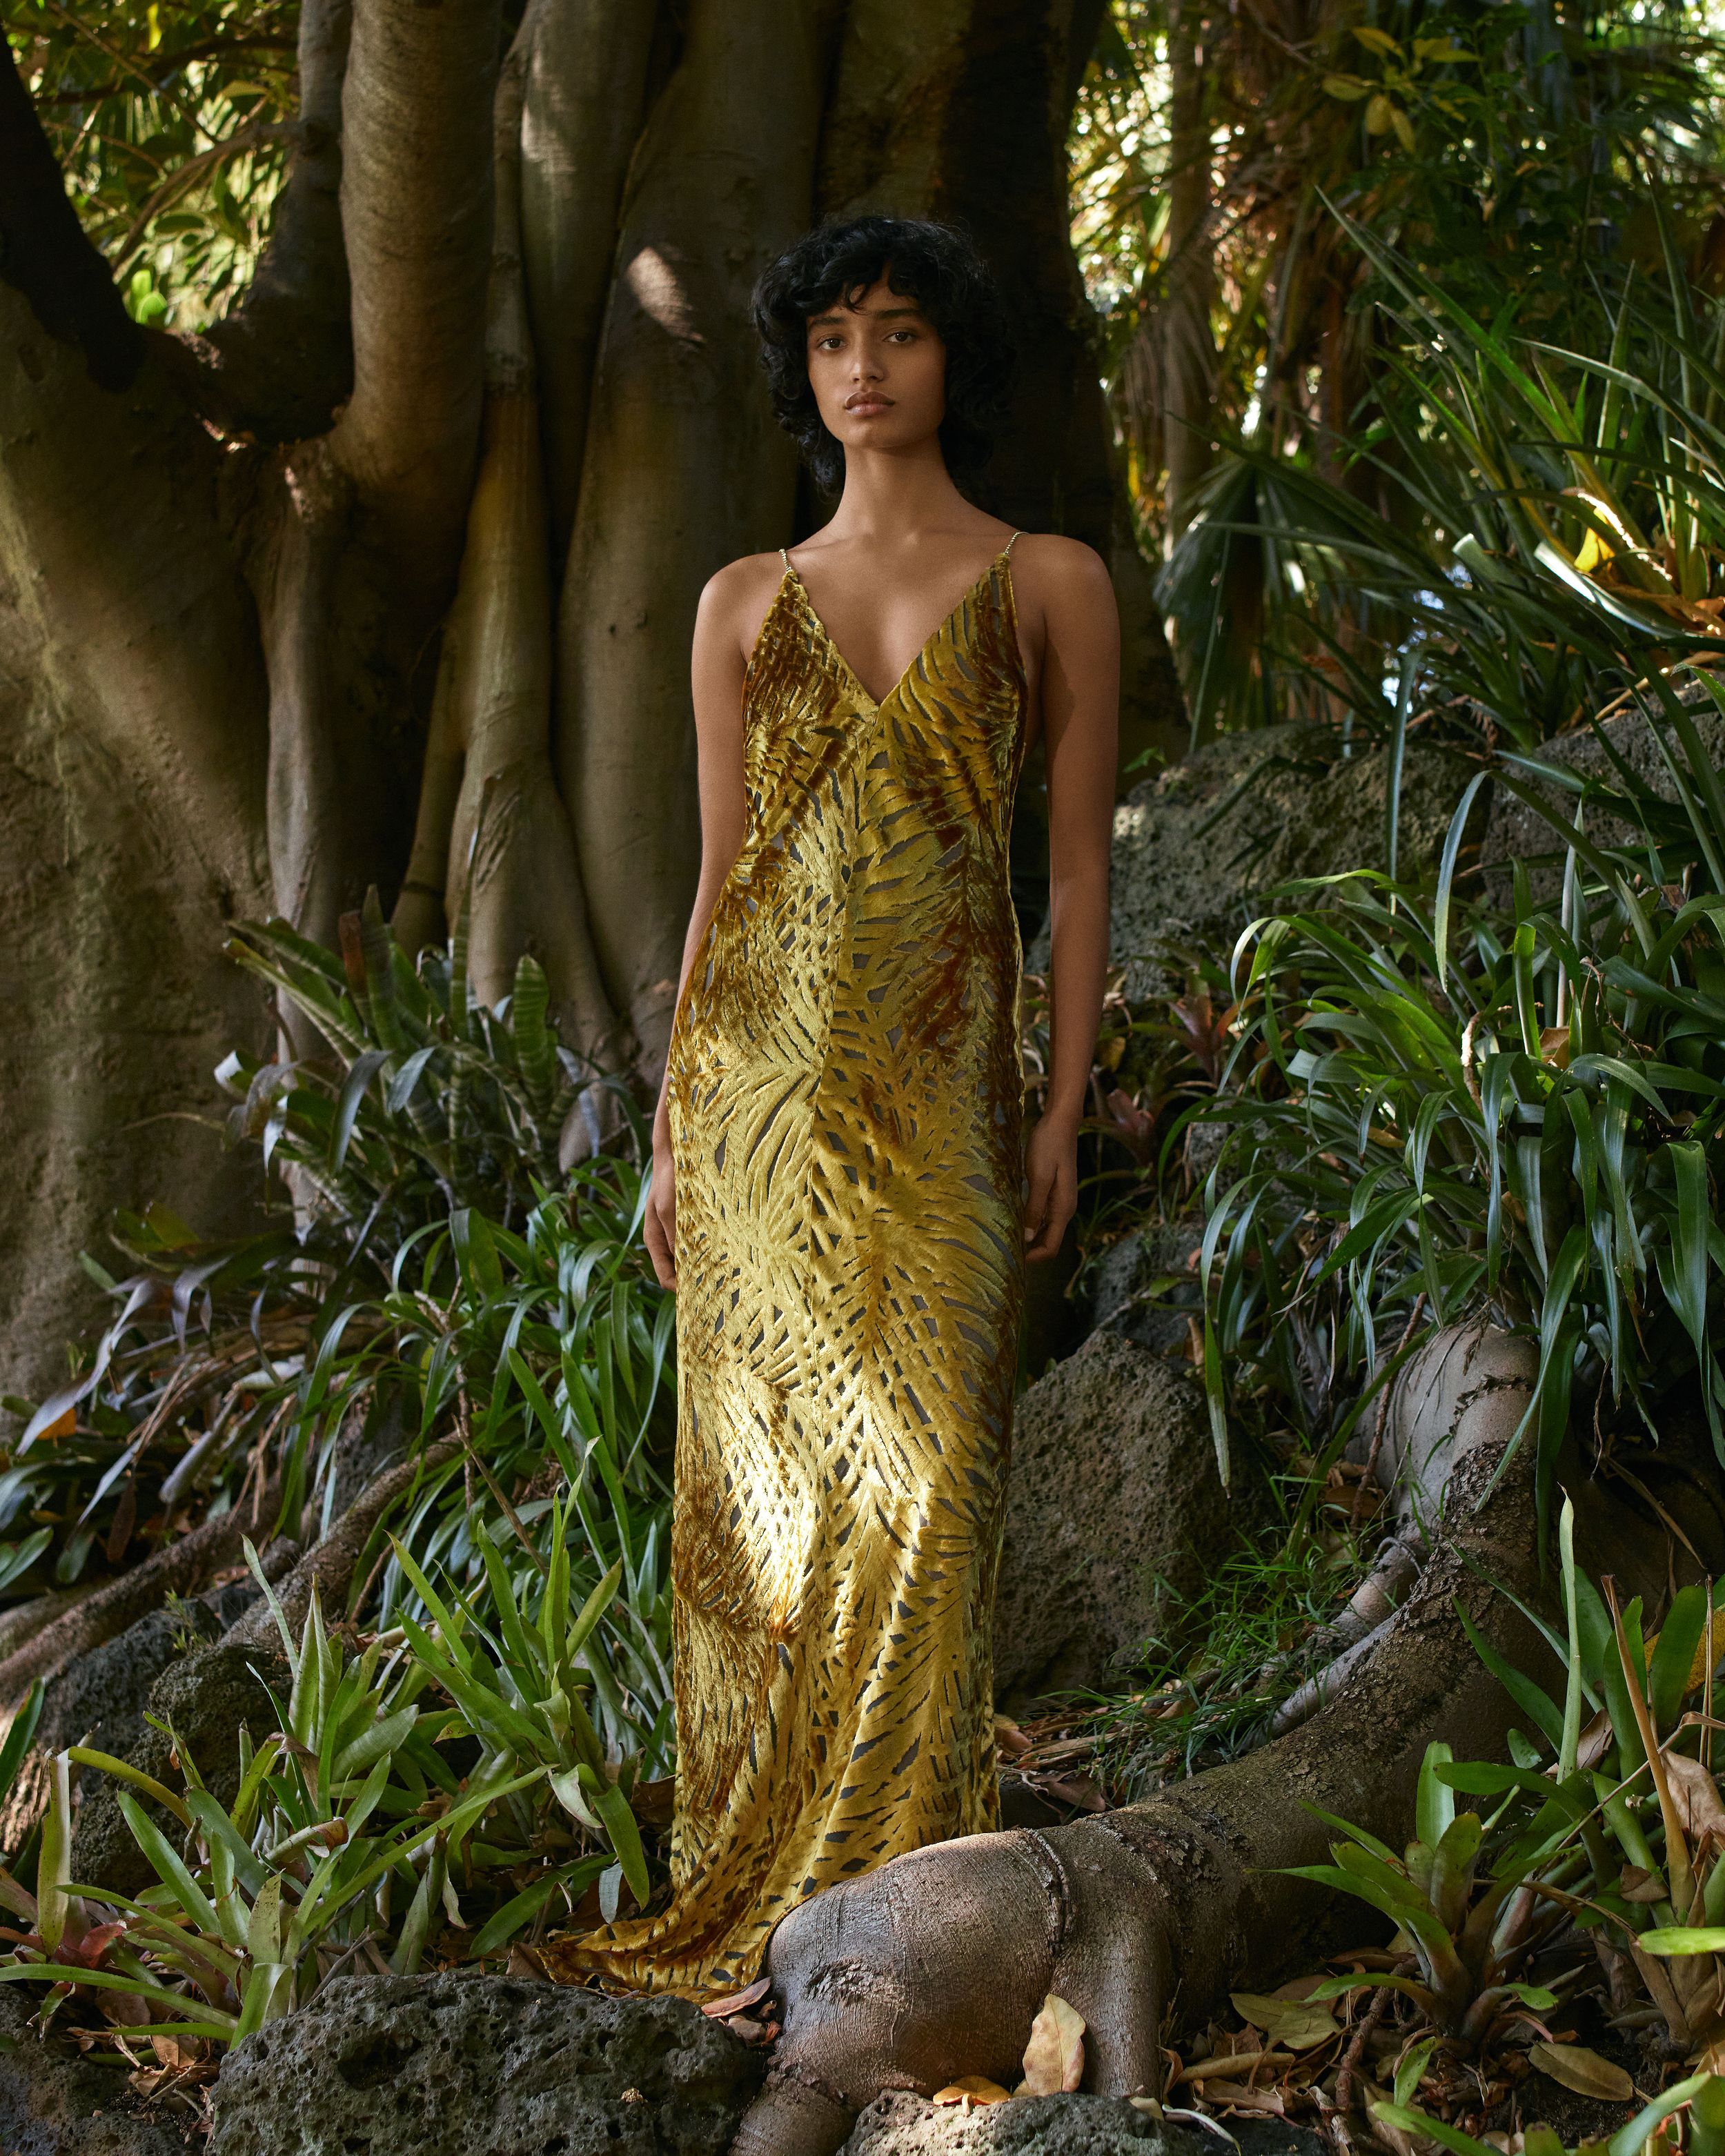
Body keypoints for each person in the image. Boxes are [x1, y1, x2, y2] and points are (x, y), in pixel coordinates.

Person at [547, 213, 1118, 1999]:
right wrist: (664, 1131)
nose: (862, 366)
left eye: (898, 333)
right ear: (800, 372)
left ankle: (898, 1904)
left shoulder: (1048, 579)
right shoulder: (735, 602)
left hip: (946, 1098)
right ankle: (759, 1895)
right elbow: (720, 881)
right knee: (765, 1506)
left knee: (932, 1482)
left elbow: (1078, 874)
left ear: (955, 358)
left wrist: (1061, 1104)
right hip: (750, 1114)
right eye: (828, 342)